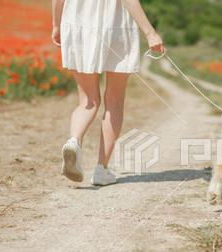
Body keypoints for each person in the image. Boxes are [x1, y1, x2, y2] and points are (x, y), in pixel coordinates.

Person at [51, 0, 164, 186]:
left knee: (87, 101)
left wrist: (56, 24)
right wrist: (150, 33)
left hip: (78, 22)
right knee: (114, 100)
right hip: (116, 25)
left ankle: (74, 141)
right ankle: (101, 170)